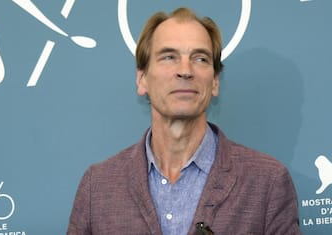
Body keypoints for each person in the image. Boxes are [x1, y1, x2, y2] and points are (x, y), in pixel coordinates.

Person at [67, 7, 301, 235]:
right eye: (169, 57)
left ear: (215, 81)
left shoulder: (267, 182)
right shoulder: (97, 187)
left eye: (200, 59)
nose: (185, 71)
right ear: (142, 79)